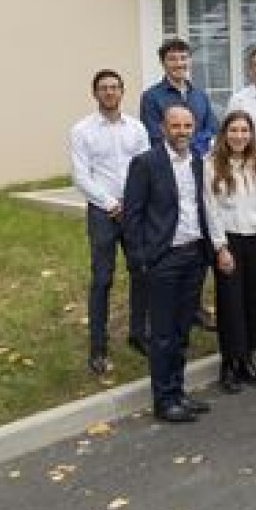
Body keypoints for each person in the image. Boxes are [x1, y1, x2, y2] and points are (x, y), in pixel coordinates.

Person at [122, 105, 213, 423]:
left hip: (194, 256)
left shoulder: (199, 162)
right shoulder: (146, 163)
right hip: (163, 259)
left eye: (188, 126)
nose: (182, 132)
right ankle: (164, 400)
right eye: (176, 126)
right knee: (162, 334)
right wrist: (140, 260)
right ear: (163, 128)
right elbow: (131, 217)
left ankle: (178, 391)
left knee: (182, 331)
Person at [71, 69, 151, 375]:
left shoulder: (137, 128)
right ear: (95, 93)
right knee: (102, 278)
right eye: (103, 88)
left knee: (141, 270)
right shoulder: (82, 130)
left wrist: (131, 204)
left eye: (114, 87)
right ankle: (98, 347)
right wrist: (110, 203)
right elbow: (80, 175)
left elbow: (144, 168)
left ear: (122, 92)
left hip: (133, 211)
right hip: (102, 212)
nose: (109, 92)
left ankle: (138, 333)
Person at [203, 111, 256, 394]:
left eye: (244, 131)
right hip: (229, 242)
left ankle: (247, 360)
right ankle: (229, 363)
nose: (239, 136)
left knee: (254, 303)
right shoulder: (212, 166)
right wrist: (221, 248)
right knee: (230, 305)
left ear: (251, 134)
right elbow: (211, 209)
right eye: (233, 130)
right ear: (225, 134)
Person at [140, 37, 217, 158]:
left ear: (190, 61)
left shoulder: (201, 96)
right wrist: (192, 147)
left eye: (183, 58)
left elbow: (211, 131)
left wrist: (193, 150)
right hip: (168, 164)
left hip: (200, 161)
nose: (179, 64)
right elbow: (155, 137)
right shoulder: (151, 97)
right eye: (172, 59)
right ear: (162, 63)